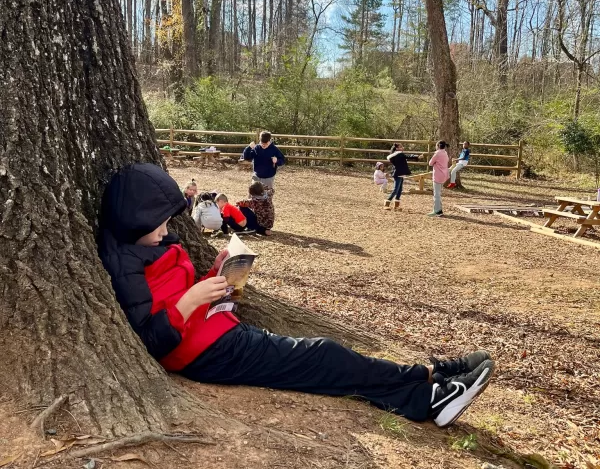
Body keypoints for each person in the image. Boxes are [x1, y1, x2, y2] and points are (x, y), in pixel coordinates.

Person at [98, 163, 496, 428]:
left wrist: (217, 273)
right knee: (323, 357)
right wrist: (192, 299)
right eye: (159, 222)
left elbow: (178, 292)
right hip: (207, 353)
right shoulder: (126, 263)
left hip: (222, 334)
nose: (167, 229)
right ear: (135, 219)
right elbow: (152, 339)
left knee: (322, 359)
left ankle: (428, 378)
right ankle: (429, 398)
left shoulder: (154, 244)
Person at [385, 143, 412, 210]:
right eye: (401, 147)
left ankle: (396, 206)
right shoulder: (399, 154)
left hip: (400, 173)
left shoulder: (398, 155)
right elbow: (408, 156)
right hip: (398, 173)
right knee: (396, 189)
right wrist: (417, 157)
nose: (402, 147)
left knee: (399, 190)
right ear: (397, 148)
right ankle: (387, 203)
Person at [428, 141, 450, 217]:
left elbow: (430, 163)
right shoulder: (445, 153)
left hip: (437, 175)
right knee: (438, 193)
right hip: (444, 175)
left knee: (436, 194)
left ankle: (437, 211)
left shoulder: (437, 153)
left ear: (437, 146)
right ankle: (439, 210)